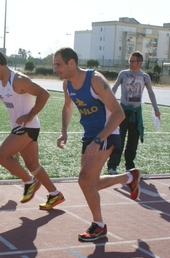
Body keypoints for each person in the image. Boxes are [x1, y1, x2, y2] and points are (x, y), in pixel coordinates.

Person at [52, 47, 141, 242]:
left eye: (58, 64)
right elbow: (67, 107)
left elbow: (119, 114)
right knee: (92, 183)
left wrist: (99, 139)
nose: (55, 69)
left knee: (84, 180)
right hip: (89, 134)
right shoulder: (67, 85)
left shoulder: (95, 80)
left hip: (107, 133)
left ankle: (99, 226)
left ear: (71, 63)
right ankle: (129, 177)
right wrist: (64, 131)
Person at [0, 50, 65, 210]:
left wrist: (30, 115)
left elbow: (43, 94)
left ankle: (29, 182)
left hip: (28, 127)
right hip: (20, 127)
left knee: (1, 156)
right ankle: (55, 194)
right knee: (32, 165)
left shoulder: (18, 80)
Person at [107, 51, 161, 175]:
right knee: (118, 139)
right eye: (129, 61)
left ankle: (129, 166)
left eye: (132, 61)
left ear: (139, 62)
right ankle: (112, 165)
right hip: (123, 111)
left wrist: (156, 108)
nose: (130, 63)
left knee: (133, 140)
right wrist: (108, 103)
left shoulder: (144, 77)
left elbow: (151, 93)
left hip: (136, 113)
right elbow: (114, 88)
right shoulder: (123, 74)